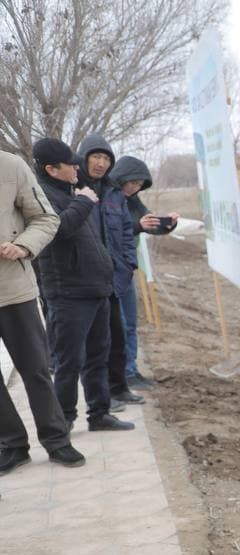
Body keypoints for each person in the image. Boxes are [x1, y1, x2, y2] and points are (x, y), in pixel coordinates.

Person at [31, 138, 133, 433]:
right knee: (68, 363)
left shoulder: (71, 191)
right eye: (70, 164)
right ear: (51, 169)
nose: (77, 167)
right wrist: (85, 202)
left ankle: (99, 414)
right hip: (68, 294)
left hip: (95, 288)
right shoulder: (42, 196)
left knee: (97, 357)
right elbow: (57, 230)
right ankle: (63, 422)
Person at [0, 149, 85, 476]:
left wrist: (23, 245)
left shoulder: (10, 166)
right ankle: (12, 444)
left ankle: (56, 439)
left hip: (13, 289)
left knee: (35, 368)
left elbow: (46, 217)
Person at [77, 133, 144, 407]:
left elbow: (126, 232)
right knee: (95, 343)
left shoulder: (115, 192)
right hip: (86, 279)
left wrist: (129, 264)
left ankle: (119, 388)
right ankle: (100, 395)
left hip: (114, 277)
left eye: (106, 158)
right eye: (96, 157)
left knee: (117, 336)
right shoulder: (75, 189)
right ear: (84, 158)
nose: (101, 163)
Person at [110, 154, 178, 391]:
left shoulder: (134, 201)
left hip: (128, 267)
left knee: (130, 323)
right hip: (111, 270)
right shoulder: (109, 197)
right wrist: (138, 226)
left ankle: (131, 370)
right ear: (121, 179)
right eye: (133, 183)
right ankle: (119, 374)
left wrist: (167, 224)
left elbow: (147, 224)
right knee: (117, 325)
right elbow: (110, 230)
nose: (135, 188)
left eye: (139, 185)